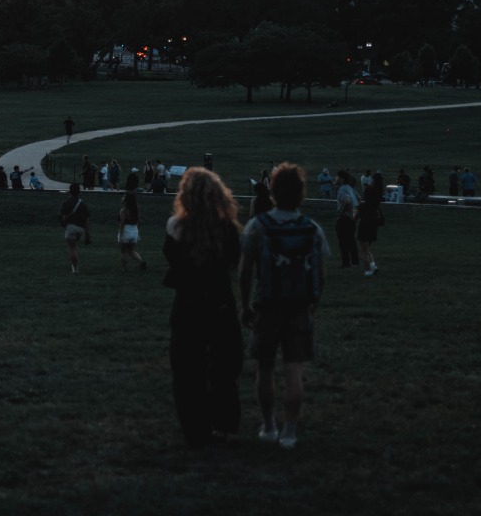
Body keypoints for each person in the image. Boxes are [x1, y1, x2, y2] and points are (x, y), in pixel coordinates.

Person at [239, 163, 328, 450]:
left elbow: (245, 269)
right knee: (293, 369)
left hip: (267, 303)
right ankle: (290, 431)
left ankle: (268, 425)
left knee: (264, 368)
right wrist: (314, 302)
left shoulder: (258, 226)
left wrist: (244, 303)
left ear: (273, 191)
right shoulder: (311, 228)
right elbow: (320, 271)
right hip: (299, 305)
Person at [162, 167, 244, 447]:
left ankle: (195, 429)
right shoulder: (229, 229)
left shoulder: (175, 226)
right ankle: (223, 423)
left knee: (187, 371)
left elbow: (171, 259)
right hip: (220, 302)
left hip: (187, 304)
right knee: (223, 368)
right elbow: (235, 262)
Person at [357, 172, 385, 276]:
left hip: (363, 227)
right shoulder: (376, 205)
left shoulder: (362, 206)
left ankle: (368, 269)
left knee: (362, 251)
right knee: (367, 248)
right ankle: (373, 266)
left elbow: (356, 217)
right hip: (373, 227)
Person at [59, 183, 90, 272]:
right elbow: (87, 220)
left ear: (70, 191)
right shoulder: (83, 204)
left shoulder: (66, 203)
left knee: (72, 247)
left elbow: (62, 216)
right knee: (75, 246)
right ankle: (75, 264)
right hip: (80, 228)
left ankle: (75, 269)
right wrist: (87, 234)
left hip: (70, 227)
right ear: (79, 192)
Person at [334, 171, 359, 269]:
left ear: (342, 179)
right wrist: (354, 215)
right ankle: (355, 262)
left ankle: (346, 263)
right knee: (352, 241)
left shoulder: (342, 190)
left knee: (343, 242)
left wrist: (341, 212)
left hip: (344, 219)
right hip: (351, 219)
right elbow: (359, 199)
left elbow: (347, 201)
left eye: (338, 177)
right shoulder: (350, 188)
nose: (336, 179)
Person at [118, 187, 146, 270]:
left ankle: (124, 268)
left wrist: (120, 233)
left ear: (126, 200)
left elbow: (122, 223)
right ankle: (141, 262)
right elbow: (139, 222)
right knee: (131, 251)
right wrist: (137, 232)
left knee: (123, 252)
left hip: (125, 231)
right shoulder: (136, 210)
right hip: (134, 231)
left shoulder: (123, 211)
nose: (122, 198)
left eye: (123, 197)